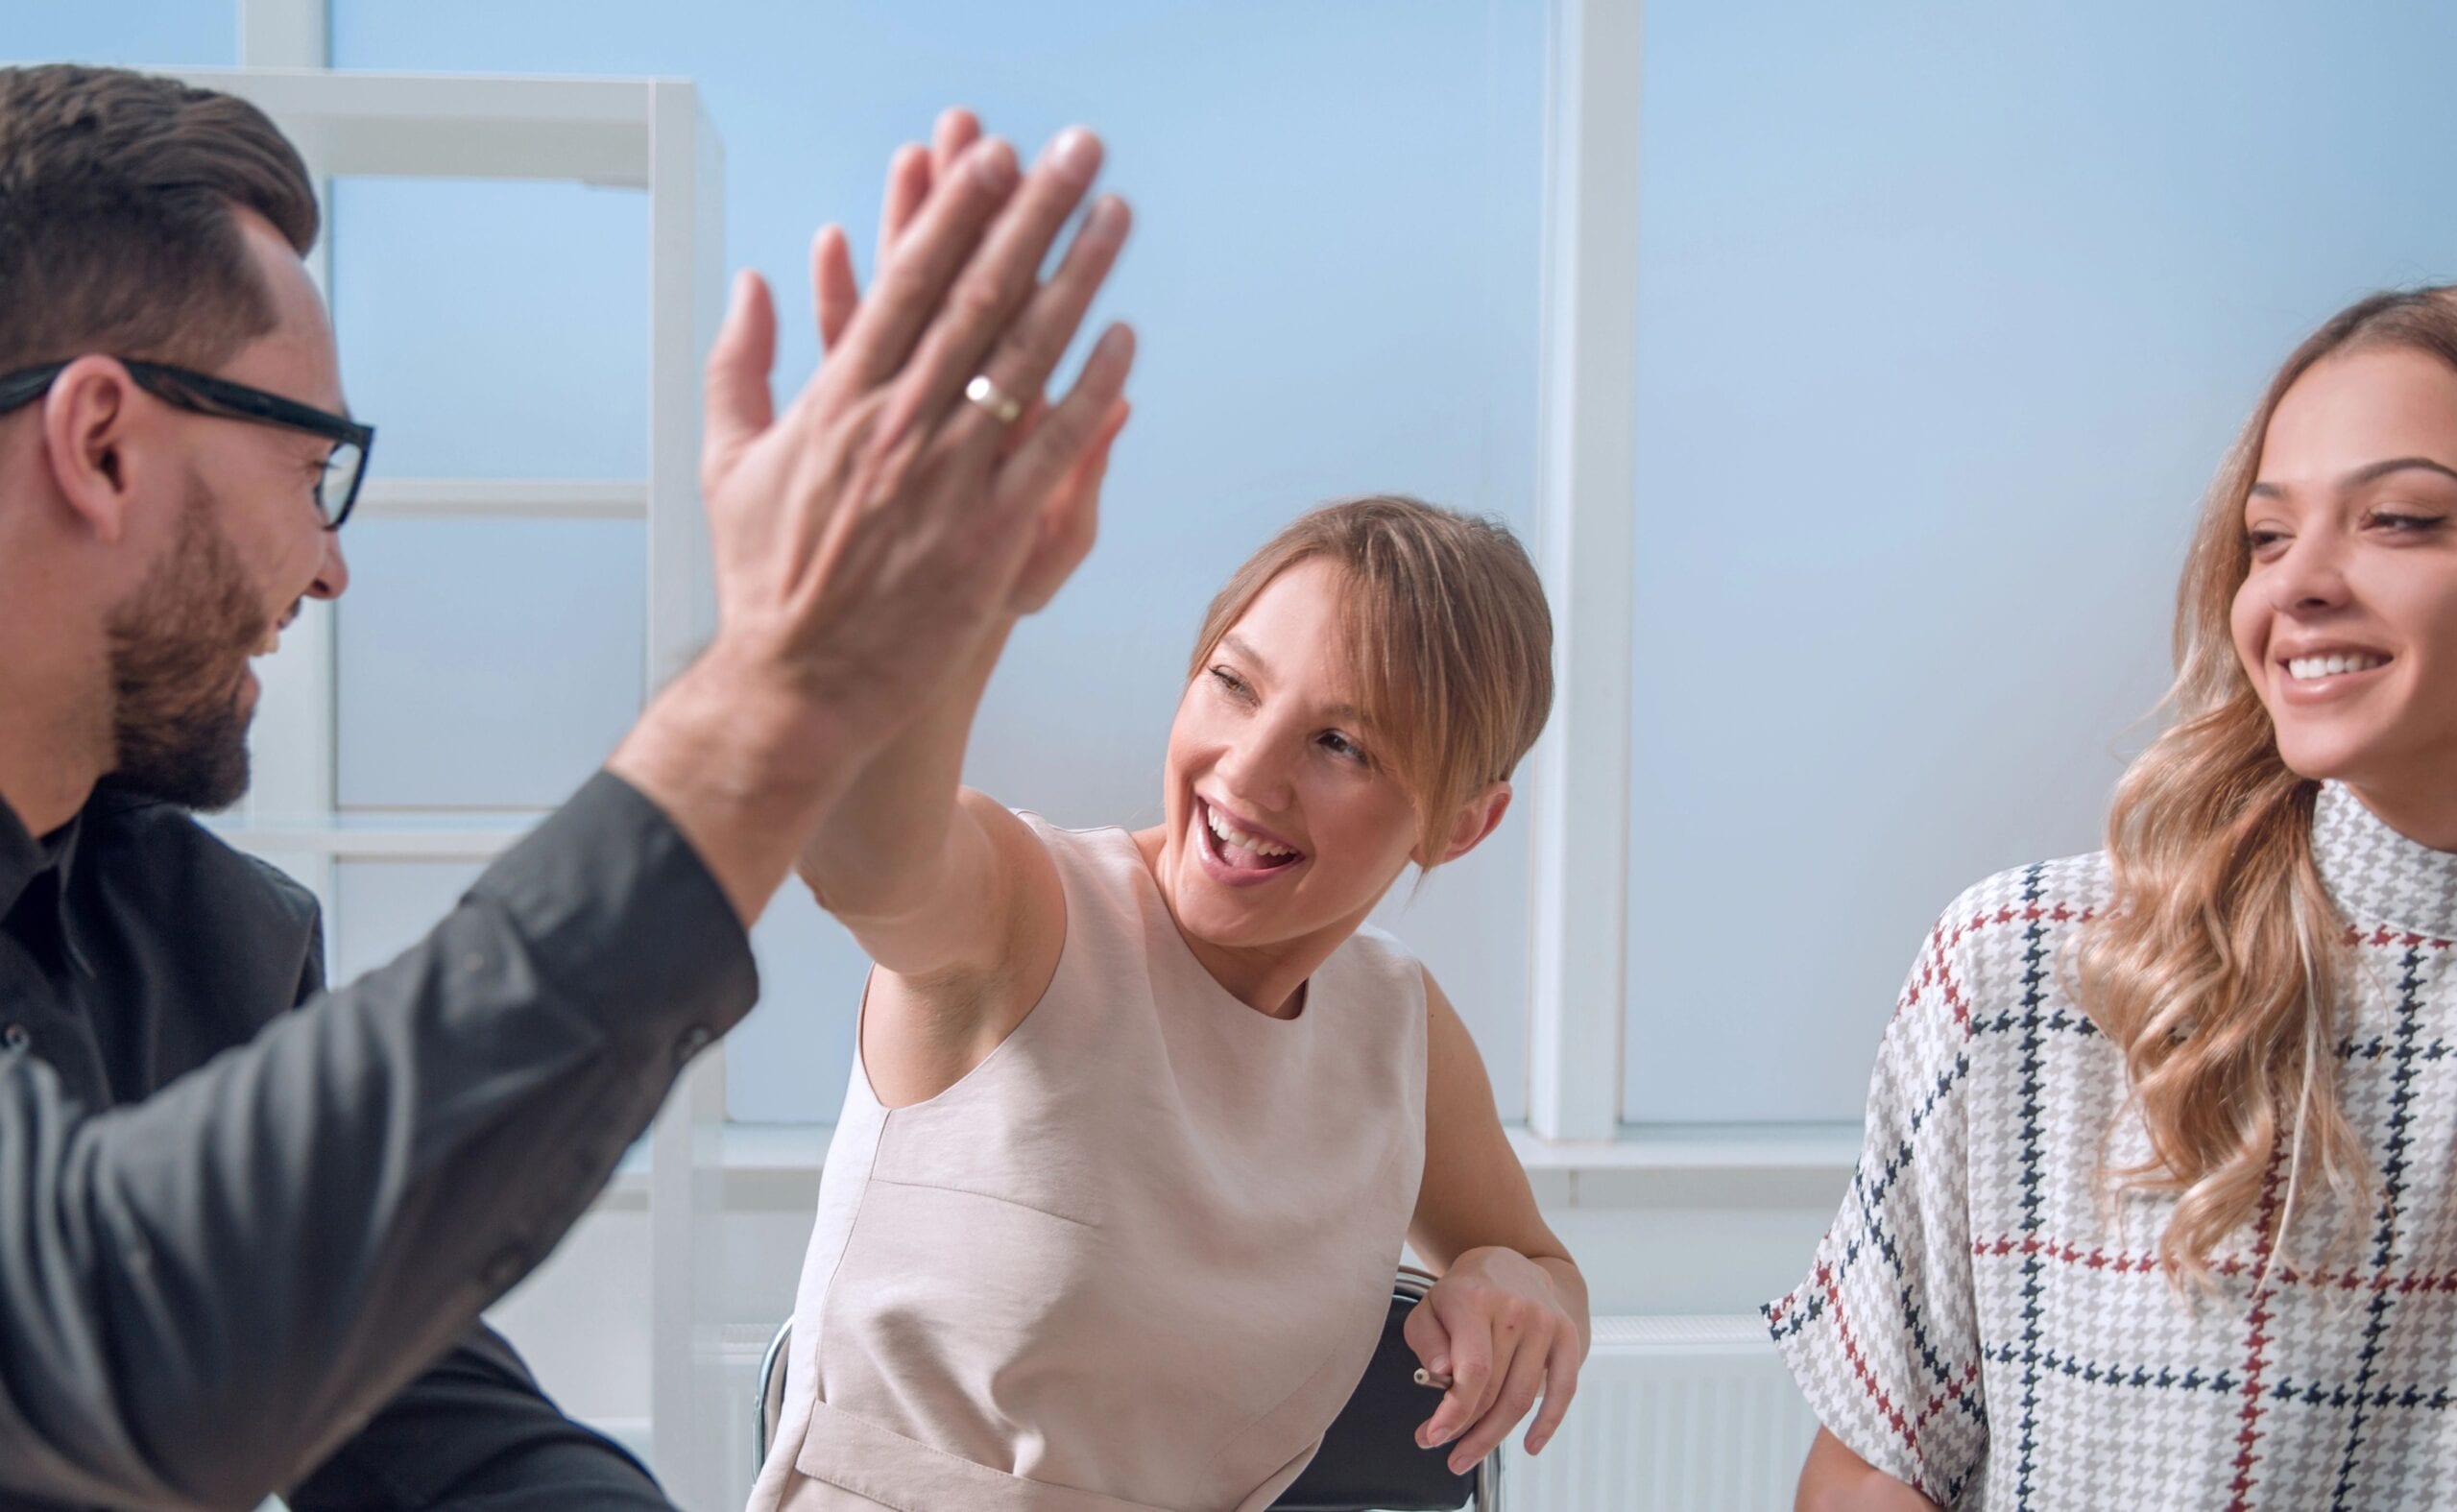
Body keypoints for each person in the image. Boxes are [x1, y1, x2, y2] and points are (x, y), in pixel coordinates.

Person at [0, 65, 1132, 1510]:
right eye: (311, 466)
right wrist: (770, 698)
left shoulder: (199, 935)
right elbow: (118, 1324)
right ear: (100, 445)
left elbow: (429, 1426)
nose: (331, 563)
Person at [747, 118, 1588, 1512]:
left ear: (1464, 822)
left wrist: (1515, 1277)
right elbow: (860, 850)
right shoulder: (1028, 915)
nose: (1243, 774)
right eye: (1230, 683)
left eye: (1338, 742)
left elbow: (1536, 1259)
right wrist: (944, 603)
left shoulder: (1398, 1032)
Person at [1772, 286, 2457, 1509]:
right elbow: (1879, 1466)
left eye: (2398, 520)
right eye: (2264, 535)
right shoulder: (2034, 973)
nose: (2294, 585)